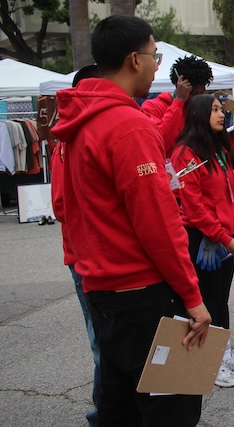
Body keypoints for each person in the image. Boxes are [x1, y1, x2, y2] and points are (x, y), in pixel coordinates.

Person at [51, 15, 212, 426]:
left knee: (118, 404)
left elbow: (68, 209)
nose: (157, 65)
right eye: (154, 55)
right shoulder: (127, 125)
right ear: (134, 60)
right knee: (171, 407)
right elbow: (159, 224)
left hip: (102, 287)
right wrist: (192, 297)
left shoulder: (77, 124)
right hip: (143, 292)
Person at [173, 94, 234, 387]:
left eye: (221, 109)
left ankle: (223, 352)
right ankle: (206, 362)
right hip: (202, 239)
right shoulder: (185, 153)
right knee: (204, 302)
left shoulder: (220, 148)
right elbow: (194, 206)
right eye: (214, 110)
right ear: (198, 114)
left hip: (223, 238)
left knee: (220, 299)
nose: (222, 114)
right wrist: (223, 238)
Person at [51, 64, 101, 427]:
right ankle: (105, 412)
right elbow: (60, 206)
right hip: (86, 257)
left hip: (100, 257)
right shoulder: (67, 144)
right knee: (103, 341)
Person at [142, 55, 213, 155]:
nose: (198, 99)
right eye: (194, 94)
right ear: (179, 85)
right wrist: (179, 101)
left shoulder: (198, 110)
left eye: (201, 94)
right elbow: (160, 143)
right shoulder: (152, 107)